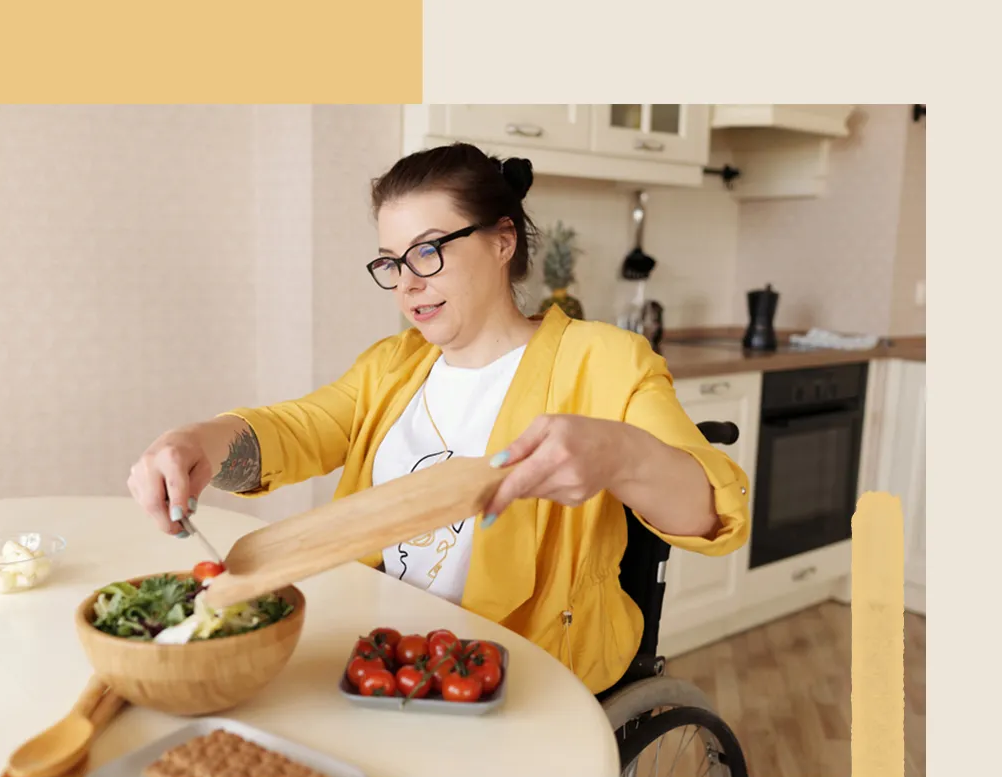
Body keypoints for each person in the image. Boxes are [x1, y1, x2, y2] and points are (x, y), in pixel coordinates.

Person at [127, 143, 751, 694]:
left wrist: (620, 455)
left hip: (529, 672)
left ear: (502, 240)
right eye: (391, 262)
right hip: (381, 655)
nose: (407, 285)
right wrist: (200, 441)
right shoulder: (393, 366)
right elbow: (296, 430)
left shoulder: (606, 361)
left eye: (427, 252)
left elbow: (713, 511)